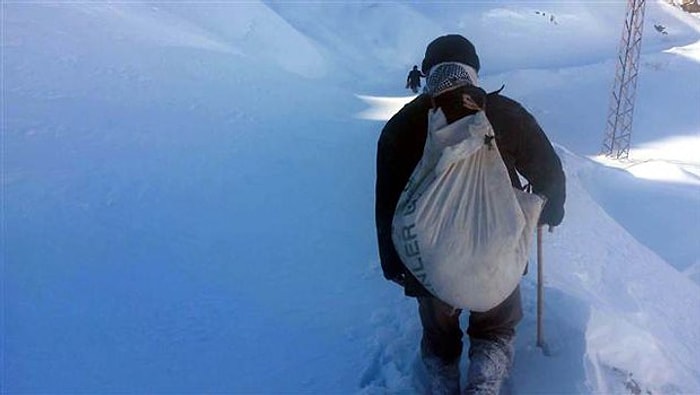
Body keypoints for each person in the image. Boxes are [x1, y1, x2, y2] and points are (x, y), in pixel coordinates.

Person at [375, 34, 566, 394]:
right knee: (495, 326)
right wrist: (550, 211)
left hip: (429, 257)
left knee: (438, 333)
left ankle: (443, 380)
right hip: (496, 248)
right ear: (473, 71)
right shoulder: (505, 113)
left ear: (429, 72)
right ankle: (485, 381)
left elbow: (387, 202)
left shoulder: (402, 125)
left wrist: (394, 263)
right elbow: (548, 172)